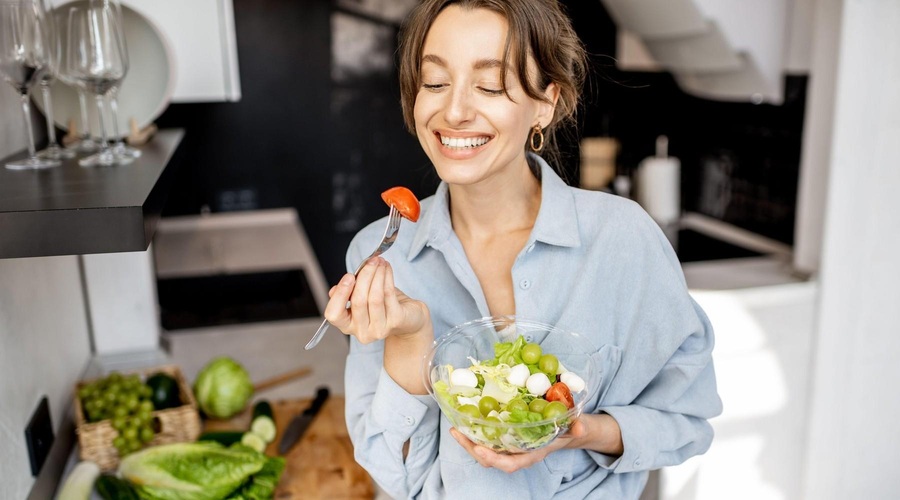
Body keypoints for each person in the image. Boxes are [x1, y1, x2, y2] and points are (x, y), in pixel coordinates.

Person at [323, 0, 722, 498]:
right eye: (435, 82)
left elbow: (686, 421)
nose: (455, 111)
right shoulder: (383, 254)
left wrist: (582, 431)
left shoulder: (622, 241)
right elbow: (395, 474)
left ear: (546, 103)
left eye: (489, 85)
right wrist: (410, 342)